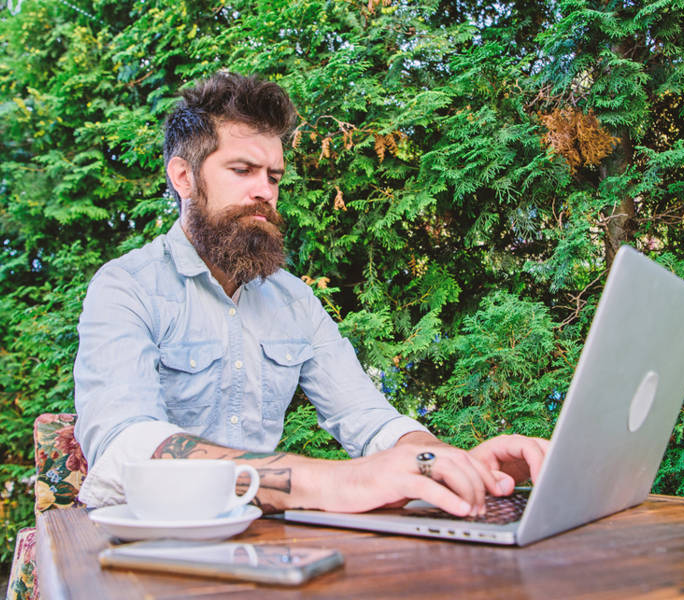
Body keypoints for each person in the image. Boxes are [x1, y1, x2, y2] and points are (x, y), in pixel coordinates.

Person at [74, 71, 549, 517]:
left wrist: (444, 462)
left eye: (273, 177)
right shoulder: (126, 288)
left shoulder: (294, 302)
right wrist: (332, 481)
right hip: (144, 545)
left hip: (256, 543)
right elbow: (125, 445)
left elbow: (368, 418)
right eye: (242, 170)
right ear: (183, 177)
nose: (265, 191)